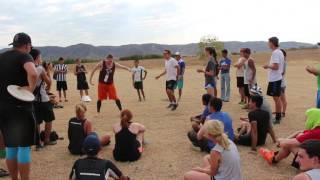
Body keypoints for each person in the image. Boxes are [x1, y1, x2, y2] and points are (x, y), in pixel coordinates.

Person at [0, 32, 37, 180]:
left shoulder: (1, 56)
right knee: (23, 146)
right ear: (27, 45)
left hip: (3, 108)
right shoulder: (25, 56)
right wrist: (30, 90)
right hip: (20, 108)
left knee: (11, 147)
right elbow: (33, 74)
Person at [30, 49, 56, 150]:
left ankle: (38, 143)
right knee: (49, 119)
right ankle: (46, 139)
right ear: (37, 57)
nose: (41, 59)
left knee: (37, 121)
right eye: (40, 57)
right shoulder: (40, 68)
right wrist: (48, 70)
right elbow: (49, 82)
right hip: (43, 99)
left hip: (32, 99)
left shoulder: (28, 68)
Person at [263, 37, 285, 124]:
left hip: (275, 79)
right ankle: (278, 117)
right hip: (276, 79)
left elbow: (276, 67)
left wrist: (267, 66)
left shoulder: (276, 53)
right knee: (277, 98)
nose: (268, 44)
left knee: (277, 98)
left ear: (272, 43)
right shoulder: (279, 52)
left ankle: (278, 118)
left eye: (268, 42)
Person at [279, 49, 287, 117]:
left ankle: (283, 112)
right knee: (279, 99)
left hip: (281, 83)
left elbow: (283, 72)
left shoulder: (284, 62)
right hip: (279, 83)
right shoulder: (281, 62)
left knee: (283, 99)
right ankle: (280, 111)